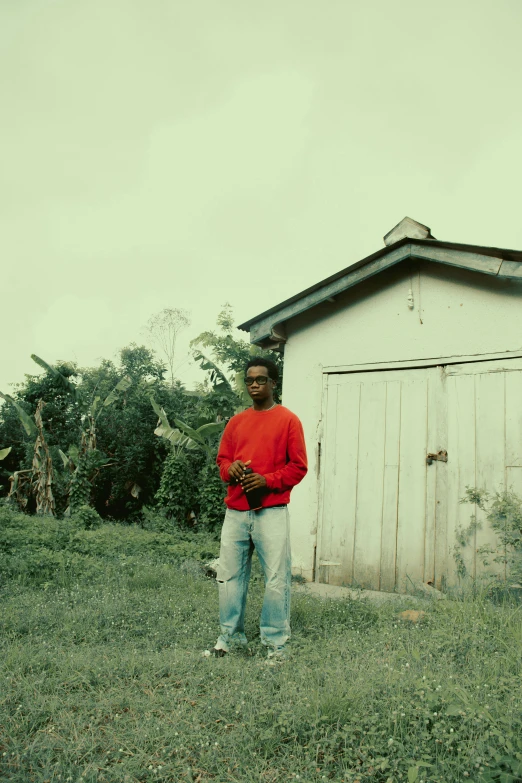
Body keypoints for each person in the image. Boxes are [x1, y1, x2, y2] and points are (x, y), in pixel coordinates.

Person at [211, 356, 308, 661]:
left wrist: (267, 481)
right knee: (228, 577)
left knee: (276, 579)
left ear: (273, 383)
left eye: (260, 380)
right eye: (249, 380)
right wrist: (233, 469)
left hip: (271, 512)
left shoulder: (288, 420)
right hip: (236, 512)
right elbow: (222, 462)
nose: (254, 385)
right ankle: (229, 639)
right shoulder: (236, 422)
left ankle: (275, 644)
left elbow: (299, 467)